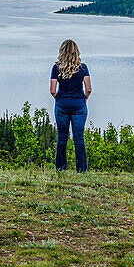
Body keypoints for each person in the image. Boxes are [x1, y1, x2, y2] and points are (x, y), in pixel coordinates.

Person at [50, 39, 91, 172]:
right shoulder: (83, 67)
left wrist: (59, 98)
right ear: (76, 52)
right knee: (79, 138)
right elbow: (89, 89)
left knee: (62, 138)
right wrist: (84, 98)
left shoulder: (56, 68)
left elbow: (52, 90)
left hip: (62, 105)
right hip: (79, 105)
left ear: (62, 51)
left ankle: (60, 168)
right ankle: (81, 169)